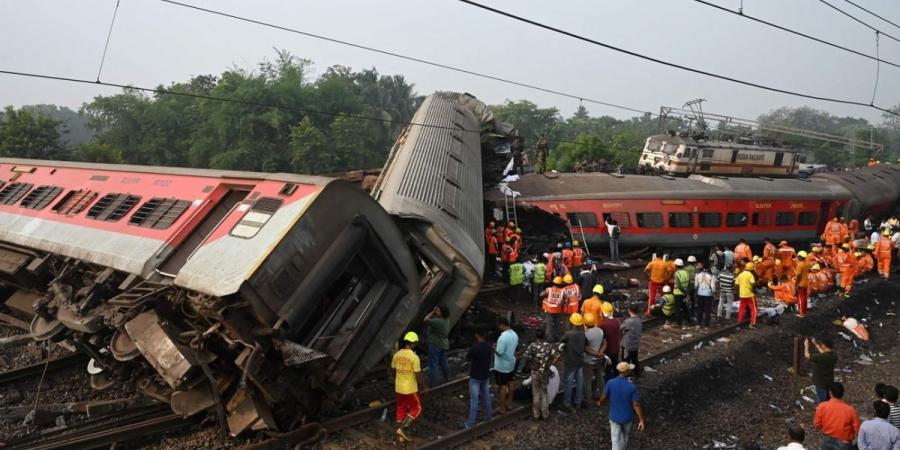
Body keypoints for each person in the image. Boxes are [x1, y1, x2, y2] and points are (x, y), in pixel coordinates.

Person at [598, 362, 646, 450]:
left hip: (614, 416)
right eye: (629, 370)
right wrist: (641, 420)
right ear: (627, 372)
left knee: (615, 440)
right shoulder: (632, 387)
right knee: (625, 437)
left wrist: (600, 402)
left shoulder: (610, 382)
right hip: (627, 418)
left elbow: (604, 396)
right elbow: (636, 404)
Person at [392, 332, 427, 442]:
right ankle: (402, 429)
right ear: (412, 344)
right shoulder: (414, 357)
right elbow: (418, 375)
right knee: (417, 408)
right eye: (415, 343)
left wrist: (399, 378)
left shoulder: (396, 355)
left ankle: (399, 434)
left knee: (401, 407)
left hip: (398, 387)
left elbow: (393, 370)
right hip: (410, 389)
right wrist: (424, 387)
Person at [519, 329, 560, 421]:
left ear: (536, 336)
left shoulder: (532, 346)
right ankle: (545, 414)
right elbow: (557, 356)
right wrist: (550, 364)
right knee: (544, 393)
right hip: (545, 373)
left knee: (536, 393)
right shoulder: (549, 346)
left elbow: (525, 356)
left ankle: (536, 415)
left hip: (535, 372)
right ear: (544, 336)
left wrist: (532, 362)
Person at [814, 382, 861, 450]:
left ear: (830, 393)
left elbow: (817, 425)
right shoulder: (850, 410)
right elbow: (857, 429)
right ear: (842, 394)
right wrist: (850, 437)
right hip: (844, 443)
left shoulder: (822, 406)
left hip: (827, 440)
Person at [465, 329, 493, 429]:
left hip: (475, 376)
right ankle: (488, 417)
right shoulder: (489, 346)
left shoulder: (474, 348)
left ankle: (471, 422)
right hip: (485, 375)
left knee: (474, 399)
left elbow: (468, 358)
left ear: (477, 335)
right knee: (486, 396)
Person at [560, 313, 586, 412]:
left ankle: (567, 403)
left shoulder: (569, 334)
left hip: (570, 362)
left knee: (568, 383)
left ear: (572, 322)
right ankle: (578, 402)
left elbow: (561, 342)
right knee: (580, 382)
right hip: (580, 361)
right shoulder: (583, 333)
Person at [493, 317, 518, 414]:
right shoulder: (515, 334)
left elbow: (499, 352)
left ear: (502, 325)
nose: (499, 327)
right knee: (510, 382)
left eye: (499, 325)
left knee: (502, 386)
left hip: (501, 366)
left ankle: (502, 407)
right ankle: (509, 403)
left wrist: (494, 348)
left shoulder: (502, 337)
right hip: (511, 363)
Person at [423, 306, 450, 386]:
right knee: (444, 363)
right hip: (444, 344)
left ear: (442, 313)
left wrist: (432, 311)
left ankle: (433, 383)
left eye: (438, 311)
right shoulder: (447, 319)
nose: (436, 312)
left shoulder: (437, 321)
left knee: (433, 364)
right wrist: (436, 312)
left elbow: (425, 319)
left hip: (435, 344)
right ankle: (447, 378)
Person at [582, 313, 607, 400]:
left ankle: (588, 400)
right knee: (600, 377)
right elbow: (605, 343)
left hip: (588, 361)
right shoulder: (600, 331)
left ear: (585, 323)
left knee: (587, 381)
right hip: (598, 360)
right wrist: (600, 353)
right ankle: (603, 395)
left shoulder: (585, 334)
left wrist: (596, 354)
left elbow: (586, 349)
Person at [805, 336, 837, 403]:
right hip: (829, 381)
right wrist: (815, 344)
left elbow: (807, 355)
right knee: (828, 398)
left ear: (824, 346)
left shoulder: (822, 357)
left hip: (820, 382)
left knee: (823, 402)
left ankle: (824, 411)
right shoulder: (834, 355)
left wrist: (806, 345)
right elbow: (824, 353)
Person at [599, 302, 622, 381]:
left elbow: (602, 340)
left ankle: (609, 384)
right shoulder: (616, 322)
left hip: (608, 350)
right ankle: (617, 380)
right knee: (615, 366)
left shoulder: (603, 325)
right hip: (616, 348)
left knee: (608, 369)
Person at [620, 303, 643, 376]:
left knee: (625, 361)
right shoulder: (639, 320)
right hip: (635, 344)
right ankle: (637, 373)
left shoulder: (628, 321)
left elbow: (620, 328)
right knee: (635, 360)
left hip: (627, 345)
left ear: (629, 310)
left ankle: (625, 376)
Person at [541, 277, 565, 341]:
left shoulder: (549, 289)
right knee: (558, 325)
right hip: (558, 310)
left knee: (549, 325)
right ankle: (558, 337)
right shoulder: (562, 291)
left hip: (550, 310)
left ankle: (549, 338)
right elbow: (564, 298)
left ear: (553, 283)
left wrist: (546, 294)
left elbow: (541, 295)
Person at [736, 262, 758, 328]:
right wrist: (754, 291)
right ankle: (752, 323)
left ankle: (739, 323)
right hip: (750, 295)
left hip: (742, 295)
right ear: (752, 269)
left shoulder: (740, 274)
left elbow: (736, 284)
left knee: (741, 309)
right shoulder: (750, 275)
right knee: (753, 309)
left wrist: (738, 293)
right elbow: (753, 283)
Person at [694, 263, 716, 330]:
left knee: (699, 309)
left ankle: (698, 324)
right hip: (708, 294)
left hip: (700, 293)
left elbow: (696, 285)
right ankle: (706, 325)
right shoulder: (712, 275)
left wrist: (697, 291)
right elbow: (713, 286)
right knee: (707, 310)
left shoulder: (697, 274)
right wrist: (714, 293)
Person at [673, 258, 691, 328]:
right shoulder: (686, 272)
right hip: (685, 293)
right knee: (685, 307)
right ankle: (688, 320)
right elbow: (689, 283)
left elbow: (679, 285)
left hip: (678, 293)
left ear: (676, 266)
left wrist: (685, 292)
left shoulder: (677, 273)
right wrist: (687, 293)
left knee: (677, 309)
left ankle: (678, 323)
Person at [794, 251, 810, 318]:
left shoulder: (800, 264)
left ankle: (802, 313)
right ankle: (804, 311)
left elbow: (798, 276)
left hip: (800, 284)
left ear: (800, 257)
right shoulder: (806, 263)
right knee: (804, 298)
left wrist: (796, 284)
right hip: (805, 283)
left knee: (801, 299)